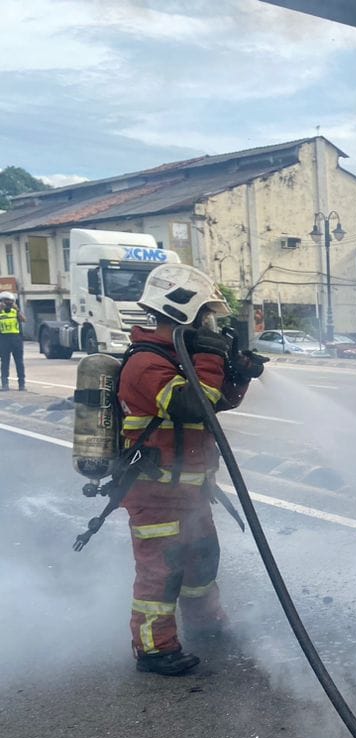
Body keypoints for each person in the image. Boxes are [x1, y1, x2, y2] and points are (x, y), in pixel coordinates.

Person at [119, 263, 264, 676]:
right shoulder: (146, 363)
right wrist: (211, 355)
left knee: (202, 563)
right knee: (161, 572)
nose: (209, 324)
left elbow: (216, 403)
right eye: (205, 315)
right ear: (181, 311)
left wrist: (240, 375)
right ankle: (153, 649)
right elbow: (192, 404)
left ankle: (205, 625)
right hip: (155, 493)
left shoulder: (178, 358)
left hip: (191, 492)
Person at [0, 290, 25, 391]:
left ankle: (22, 384)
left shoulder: (15, 311)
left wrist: (17, 310)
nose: (7, 304)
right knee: (5, 362)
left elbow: (24, 319)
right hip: (3, 339)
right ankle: (5, 384)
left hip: (16, 339)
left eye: (10, 302)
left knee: (19, 362)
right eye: (5, 302)